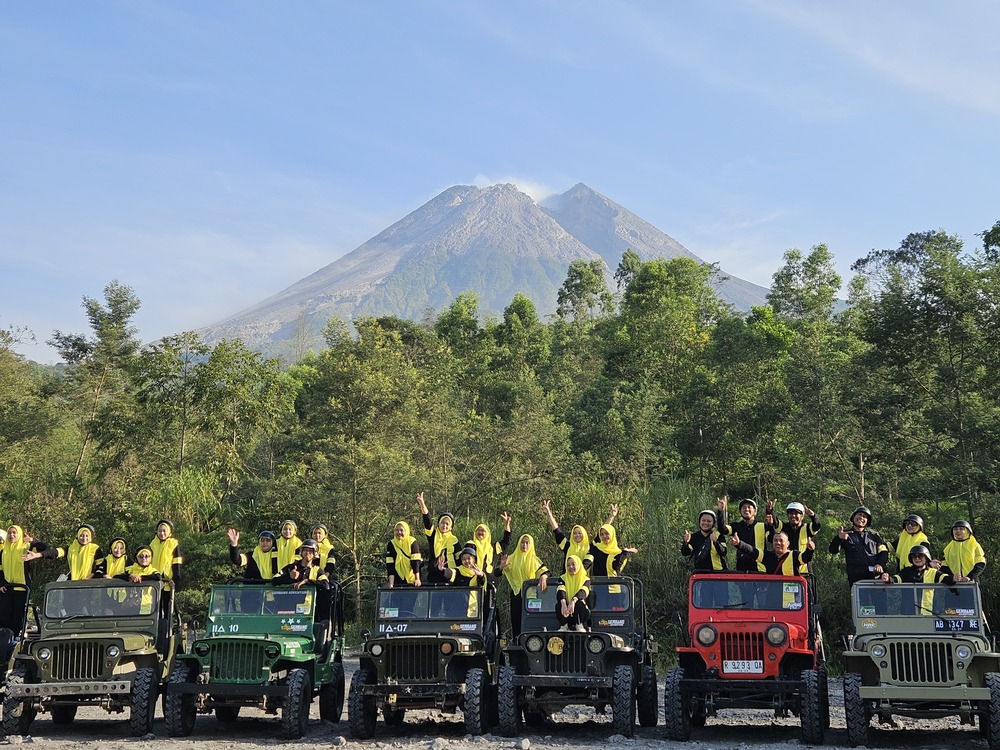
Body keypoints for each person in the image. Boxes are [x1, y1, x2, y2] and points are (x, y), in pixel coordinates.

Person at [497, 533, 549, 638]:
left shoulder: (534, 560)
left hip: (532, 596)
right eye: (522, 542)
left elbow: (547, 572)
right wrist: (501, 567)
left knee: (532, 622)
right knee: (517, 622)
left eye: (527, 543)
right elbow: (497, 573)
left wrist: (543, 577)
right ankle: (517, 643)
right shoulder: (511, 558)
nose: (524, 545)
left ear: (531, 545)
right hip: (517, 594)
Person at [0, 525, 47, 633]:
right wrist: (1, 583)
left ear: (19, 534)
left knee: (18, 616)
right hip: (7, 587)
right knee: (4, 615)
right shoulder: (3, 551)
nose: (11, 535)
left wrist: (32, 540)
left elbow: (43, 547)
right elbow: (0, 569)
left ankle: (16, 639)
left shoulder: (25, 547)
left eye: (14, 533)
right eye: (9, 533)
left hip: (22, 587)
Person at [828, 506, 889, 584]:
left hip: (875, 576)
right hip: (856, 578)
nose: (861, 518)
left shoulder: (874, 535)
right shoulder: (846, 533)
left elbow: (884, 552)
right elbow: (832, 550)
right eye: (859, 515)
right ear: (853, 517)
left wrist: (880, 564)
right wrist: (839, 539)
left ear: (868, 521)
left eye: (864, 516)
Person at [719, 497, 775, 572]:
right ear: (740, 511)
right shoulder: (736, 526)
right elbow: (723, 529)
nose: (746, 509)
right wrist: (721, 511)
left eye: (749, 507)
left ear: (755, 511)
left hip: (759, 569)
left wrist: (771, 525)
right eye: (744, 507)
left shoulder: (762, 526)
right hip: (742, 569)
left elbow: (771, 539)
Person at [31, 523, 103, 580]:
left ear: (90, 537)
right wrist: (37, 555)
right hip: (72, 585)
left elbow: (101, 567)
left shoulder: (95, 549)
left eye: (87, 536)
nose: (84, 538)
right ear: (77, 536)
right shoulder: (71, 549)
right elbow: (55, 552)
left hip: (90, 585)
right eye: (81, 535)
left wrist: (89, 578)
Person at [417, 492, 461, 584]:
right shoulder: (433, 535)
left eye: (447, 524)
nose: (444, 525)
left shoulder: (454, 540)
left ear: (451, 527)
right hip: (434, 575)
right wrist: (422, 505)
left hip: (450, 576)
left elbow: (459, 559)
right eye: (442, 523)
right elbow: (427, 522)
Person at [731, 530, 814, 576]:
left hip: (791, 598)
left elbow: (805, 558)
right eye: (775, 540)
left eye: (781, 540)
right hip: (773, 596)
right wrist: (739, 544)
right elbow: (752, 551)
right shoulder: (768, 556)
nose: (778, 543)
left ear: (788, 543)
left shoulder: (794, 555)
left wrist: (809, 550)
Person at [150, 519, 182, 614]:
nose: (162, 533)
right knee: (156, 608)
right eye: (160, 531)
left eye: (164, 531)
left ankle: (169, 626)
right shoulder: (153, 544)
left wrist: (175, 579)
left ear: (169, 532)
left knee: (168, 606)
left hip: (168, 581)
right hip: (155, 580)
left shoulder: (173, 544)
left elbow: (177, 563)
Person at [555, 554, 591, 632]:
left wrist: (573, 601)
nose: (570, 567)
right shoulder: (562, 578)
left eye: (573, 564)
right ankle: (564, 626)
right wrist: (564, 603)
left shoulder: (586, 579)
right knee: (559, 604)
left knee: (579, 603)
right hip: (566, 611)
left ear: (578, 565)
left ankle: (579, 625)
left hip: (581, 612)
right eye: (568, 565)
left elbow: (584, 591)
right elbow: (560, 590)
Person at [385, 520, 422, 588]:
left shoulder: (412, 542)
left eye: (401, 530)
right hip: (397, 580)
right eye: (397, 530)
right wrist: (391, 583)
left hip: (412, 580)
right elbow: (390, 565)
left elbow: (415, 562)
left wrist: (417, 579)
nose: (399, 532)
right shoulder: (391, 544)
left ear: (406, 531)